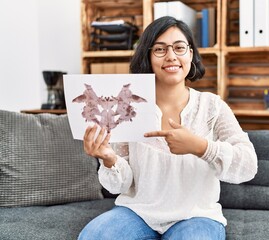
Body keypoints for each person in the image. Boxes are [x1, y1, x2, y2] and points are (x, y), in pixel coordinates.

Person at [78, 16, 258, 240]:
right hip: (138, 212)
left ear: (190, 54)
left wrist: (200, 147)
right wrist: (108, 158)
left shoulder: (212, 107)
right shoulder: (127, 107)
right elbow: (121, 185)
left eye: (179, 48)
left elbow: (249, 165)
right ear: (148, 57)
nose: (171, 56)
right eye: (160, 49)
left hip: (196, 216)